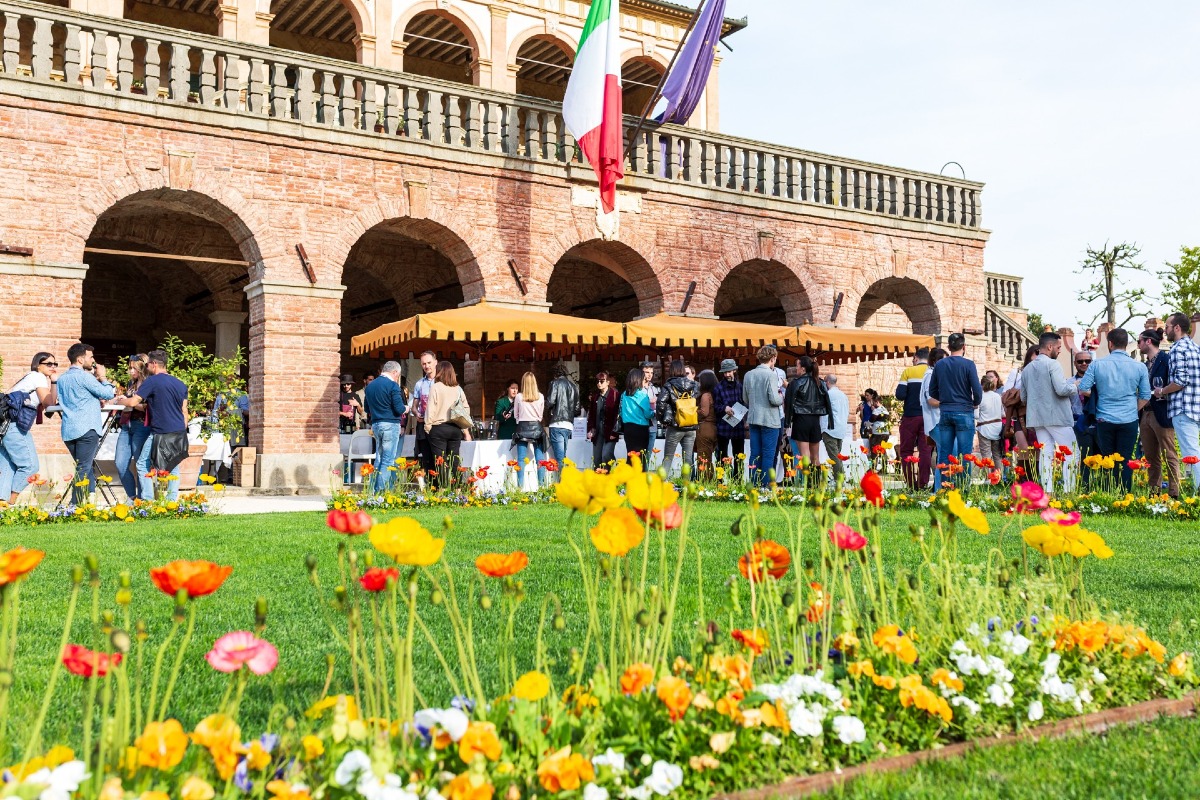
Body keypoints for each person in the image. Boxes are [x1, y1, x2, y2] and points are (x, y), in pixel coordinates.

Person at [1078, 328, 1150, 491]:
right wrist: (1133, 408)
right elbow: (1146, 395)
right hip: (1129, 419)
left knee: (1107, 459)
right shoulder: (1139, 367)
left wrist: (1099, 397)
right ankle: (1125, 494)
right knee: (1125, 460)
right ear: (1126, 344)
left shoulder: (1097, 364)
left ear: (1110, 343)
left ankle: (1108, 493)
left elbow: (1083, 388)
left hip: (1104, 418)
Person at [113, 349, 188, 502]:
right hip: (179, 430)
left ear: (154, 364)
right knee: (173, 465)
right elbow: (184, 411)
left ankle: (147, 501)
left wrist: (120, 401)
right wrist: (182, 430)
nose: (146, 367)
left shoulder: (152, 381)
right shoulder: (180, 384)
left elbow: (134, 402)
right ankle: (172, 501)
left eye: (147, 364)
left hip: (160, 431)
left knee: (142, 463)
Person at [56, 343, 117, 505]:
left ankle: (90, 498)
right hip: (87, 429)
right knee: (83, 467)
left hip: (69, 430)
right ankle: (75, 505)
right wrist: (103, 377)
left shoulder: (62, 379)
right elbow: (108, 393)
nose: (93, 360)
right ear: (81, 359)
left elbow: (79, 397)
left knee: (86, 465)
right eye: (90, 357)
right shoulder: (85, 377)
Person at [1020, 331, 1078, 494]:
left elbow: (1024, 397)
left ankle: (1047, 490)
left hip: (1037, 418)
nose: (1060, 351)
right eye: (1059, 347)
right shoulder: (1053, 365)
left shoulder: (1027, 369)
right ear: (1050, 346)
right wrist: (1076, 385)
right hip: (1057, 417)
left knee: (1045, 455)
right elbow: (1061, 389)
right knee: (1072, 453)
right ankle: (1069, 490)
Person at [0, 352, 57, 504]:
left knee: (7, 466)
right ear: (38, 365)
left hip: (6, 426)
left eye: (55, 364)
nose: (53, 367)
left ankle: (1, 504)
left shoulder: (30, 377)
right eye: (49, 364)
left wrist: (53, 382)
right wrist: (55, 382)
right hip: (14, 427)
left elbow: (49, 404)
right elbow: (49, 404)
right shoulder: (37, 377)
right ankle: (10, 503)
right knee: (30, 466)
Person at [928, 332, 982, 486]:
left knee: (945, 453)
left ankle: (945, 489)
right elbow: (977, 390)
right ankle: (964, 490)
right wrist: (975, 402)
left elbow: (932, 391)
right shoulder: (968, 365)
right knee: (965, 454)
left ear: (948, 347)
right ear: (964, 347)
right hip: (964, 411)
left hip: (946, 412)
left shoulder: (940, 365)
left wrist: (945, 398)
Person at [1157, 312, 1200, 489]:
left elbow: (1181, 381)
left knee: (1192, 453)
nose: (1165, 331)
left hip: (1182, 408)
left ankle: (1197, 495)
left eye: (1167, 327)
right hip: (1195, 406)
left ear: (1177, 328)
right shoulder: (1195, 348)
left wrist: (1162, 391)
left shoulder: (1177, 349)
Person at [1138, 329, 1180, 497]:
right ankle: (1154, 492)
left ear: (1148, 341)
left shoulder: (1166, 360)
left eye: (1140, 341)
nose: (1139, 344)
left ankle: (1174, 492)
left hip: (1162, 412)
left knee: (1169, 453)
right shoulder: (1144, 364)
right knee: (1150, 456)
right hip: (1145, 413)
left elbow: (1174, 383)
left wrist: (1162, 392)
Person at [783, 356, 832, 482]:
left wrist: (787, 422)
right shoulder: (820, 383)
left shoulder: (796, 383)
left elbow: (789, 404)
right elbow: (827, 402)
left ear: (803, 369)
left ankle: (808, 483)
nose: (796, 368)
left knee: (804, 455)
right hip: (815, 421)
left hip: (801, 420)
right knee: (816, 456)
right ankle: (816, 483)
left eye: (797, 366)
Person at [114, 354, 154, 501]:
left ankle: (144, 499)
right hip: (126, 426)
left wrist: (128, 403)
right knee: (120, 463)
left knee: (141, 464)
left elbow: (149, 408)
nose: (130, 371)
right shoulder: (131, 384)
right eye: (129, 368)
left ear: (142, 368)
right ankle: (132, 497)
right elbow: (125, 401)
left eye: (133, 368)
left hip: (141, 426)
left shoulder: (148, 384)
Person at [424, 361, 471, 486]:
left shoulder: (436, 387)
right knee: (454, 460)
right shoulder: (458, 389)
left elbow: (431, 409)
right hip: (455, 428)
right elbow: (466, 408)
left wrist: (427, 426)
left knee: (440, 461)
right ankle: (458, 487)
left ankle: (443, 488)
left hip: (438, 427)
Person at [742, 345, 783, 486]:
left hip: (753, 418)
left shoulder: (748, 375)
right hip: (770, 420)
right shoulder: (770, 375)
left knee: (755, 453)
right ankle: (765, 486)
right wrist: (781, 397)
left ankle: (753, 484)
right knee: (768, 454)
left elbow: (745, 399)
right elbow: (774, 399)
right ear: (772, 358)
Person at [363, 361, 406, 493]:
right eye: (397, 376)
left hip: (376, 424)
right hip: (390, 425)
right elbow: (399, 409)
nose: (397, 378)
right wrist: (407, 408)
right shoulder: (393, 386)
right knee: (388, 460)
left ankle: (372, 491)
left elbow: (366, 408)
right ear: (394, 372)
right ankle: (380, 492)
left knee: (379, 458)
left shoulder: (370, 386)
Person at [896, 348, 932, 490]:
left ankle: (911, 483)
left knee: (906, 450)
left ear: (916, 358)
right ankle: (922, 483)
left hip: (910, 416)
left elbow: (900, 394)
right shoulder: (932, 372)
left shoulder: (908, 372)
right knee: (925, 450)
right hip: (927, 417)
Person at [658, 359, 700, 478]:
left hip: (675, 425)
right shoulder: (693, 385)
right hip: (690, 425)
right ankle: (686, 486)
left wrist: (662, 419)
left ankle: (661, 485)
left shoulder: (669, 385)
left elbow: (661, 403)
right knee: (688, 459)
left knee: (668, 457)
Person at [546, 362, 580, 479]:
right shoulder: (573, 386)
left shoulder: (554, 383)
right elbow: (577, 409)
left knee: (560, 458)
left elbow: (550, 401)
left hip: (557, 422)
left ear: (555, 374)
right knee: (563, 455)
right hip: (568, 424)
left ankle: (562, 483)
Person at [514, 372, 547, 487]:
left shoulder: (519, 396)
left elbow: (516, 415)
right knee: (540, 458)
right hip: (536, 427)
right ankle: (542, 486)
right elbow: (541, 416)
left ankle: (520, 487)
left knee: (521, 459)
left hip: (522, 427)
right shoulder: (541, 396)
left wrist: (521, 420)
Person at [1068, 349, 1097, 486]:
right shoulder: (1068, 383)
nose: (1084, 363)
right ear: (1075, 363)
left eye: (1087, 361)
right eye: (1080, 361)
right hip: (1077, 423)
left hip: (1096, 422)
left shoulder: (1098, 381)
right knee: (1083, 455)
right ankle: (1084, 484)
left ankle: (1099, 484)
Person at [921, 348, 947, 491]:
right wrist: (949, 402)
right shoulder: (930, 376)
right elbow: (931, 400)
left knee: (943, 454)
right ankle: (939, 489)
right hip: (935, 421)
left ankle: (939, 487)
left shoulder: (934, 375)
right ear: (935, 361)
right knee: (944, 454)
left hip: (938, 420)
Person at [409, 351, 438, 473]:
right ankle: (430, 488)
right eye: (424, 364)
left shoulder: (442, 382)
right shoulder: (419, 384)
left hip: (438, 425)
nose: (427, 366)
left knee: (440, 458)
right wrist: (416, 414)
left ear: (436, 362)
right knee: (427, 459)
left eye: (429, 363)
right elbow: (414, 406)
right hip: (423, 425)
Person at [586, 371, 620, 468]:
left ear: (608, 382)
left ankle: (610, 474)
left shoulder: (615, 395)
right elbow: (591, 415)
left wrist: (615, 432)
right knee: (597, 458)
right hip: (597, 430)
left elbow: (618, 414)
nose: (599, 383)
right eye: (597, 381)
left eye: (602, 381)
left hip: (610, 430)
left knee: (606, 455)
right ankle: (598, 480)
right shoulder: (595, 396)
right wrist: (590, 429)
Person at [713, 360, 745, 463]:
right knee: (722, 458)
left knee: (739, 457)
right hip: (723, 427)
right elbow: (715, 407)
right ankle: (720, 479)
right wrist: (724, 408)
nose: (727, 374)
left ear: (734, 370)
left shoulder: (740, 387)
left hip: (738, 427)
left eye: (729, 372)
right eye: (725, 372)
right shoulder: (718, 388)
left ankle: (738, 479)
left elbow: (744, 404)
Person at [620, 368, 654, 463]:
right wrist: (654, 413)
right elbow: (647, 414)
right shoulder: (642, 395)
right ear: (639, 380)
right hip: (640, 428)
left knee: (630, 456)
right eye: (643, 379)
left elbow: (621, 412)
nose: (645, 381)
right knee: (640, 458)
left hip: (628, 428)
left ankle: (628, 476)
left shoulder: (624, 394)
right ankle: (639, 477)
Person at [821, 373, 849, 481]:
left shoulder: (828, 395)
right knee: (837, 456)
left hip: (830, 429)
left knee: (834, 457)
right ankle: (838, 478)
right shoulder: (844, 395)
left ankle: (840, 479)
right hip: (841, 428)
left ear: (827, 382)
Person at [694, 370, 719, 479]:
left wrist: (693, 411)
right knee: (708, 457)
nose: (699, 383)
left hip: (705, 428)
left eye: (700, 381)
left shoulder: (705, 395)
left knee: (703, 458)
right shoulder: (715, 394)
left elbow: (704, 412)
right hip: (713, 427)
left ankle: (705, 482)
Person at [975, 375, 1003, 466]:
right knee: (997, 455)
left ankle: (988, 479)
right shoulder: (998, 396)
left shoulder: (981, 397)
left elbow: (976, 415)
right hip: (997, 427)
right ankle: (999, 478)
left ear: (982, 385)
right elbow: (1003, 413)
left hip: (984, 428)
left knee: (986, 456)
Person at [866, 390, 891, 472]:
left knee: (874, 449)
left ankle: (873, 467)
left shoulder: (877, 410)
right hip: (885, 432)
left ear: (876, 402)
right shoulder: (885, 409)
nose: (872, 404)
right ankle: (884, 467)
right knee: (883, 449)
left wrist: (867, 424)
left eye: (873, 402)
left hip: (877, 433)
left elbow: (872, 419)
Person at [641, 361, 660, 448]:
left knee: (647, 457)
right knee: (638, 457)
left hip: (653, 426)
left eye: (651, 373)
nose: (650, 375)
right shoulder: (637, 389)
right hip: (640, 426)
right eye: (647, 372)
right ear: (641, 373)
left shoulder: (654, 389)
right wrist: (649, 402)